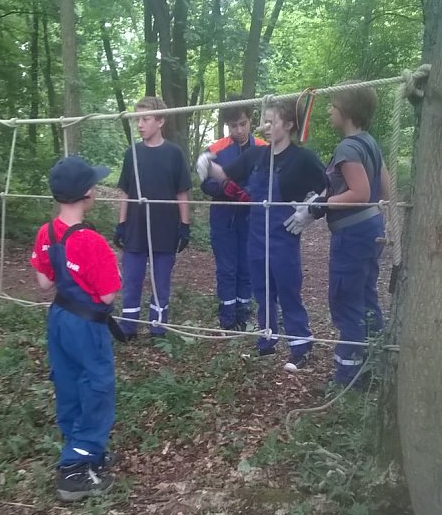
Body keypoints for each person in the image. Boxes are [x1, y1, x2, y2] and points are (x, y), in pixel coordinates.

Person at [197, 97, 326, 369]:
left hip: (283, 237)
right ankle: (267, 340)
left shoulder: (302, 158)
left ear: (289, 124)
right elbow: (225, 174)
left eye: (271, 121)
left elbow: (329, 186)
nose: (264, 127)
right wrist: (207, 163)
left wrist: (312, 210)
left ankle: (300, 346)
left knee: (288, 290)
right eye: (263, 121)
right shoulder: (257, 155)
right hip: (255, 235)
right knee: (262, 289)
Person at [31, 155, 121, 502]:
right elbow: (108, 293)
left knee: (68, 383)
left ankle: (84, 450)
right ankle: (74, 469)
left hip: (59, 319)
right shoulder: (92, 242)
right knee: (96, 387)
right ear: (88, 193)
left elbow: (43, 282)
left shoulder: (47, 231)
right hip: (87, 326)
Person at [287, 86, 389, 386]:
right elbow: (384, 191)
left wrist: (321, 205)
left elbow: (361, 193)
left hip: (353, 235)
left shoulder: (348, 148)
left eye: (332, 105)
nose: (329, 110)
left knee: (346, 301)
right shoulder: (370, 143)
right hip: (371, 229)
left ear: (346, 110)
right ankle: (374, 368)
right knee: (366, 298)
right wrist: (322, 199)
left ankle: (348, 380)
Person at [114, 96, 192, 338]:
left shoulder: (174, 154)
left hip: (165, 229)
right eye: (138, 119)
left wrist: (184, 226)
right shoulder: (132, 154)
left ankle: (158, 327)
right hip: (136, 228)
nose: (139, 124)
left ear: (160, 121)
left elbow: (182, 192)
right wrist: (121, 223)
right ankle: (128, 327)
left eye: (145, 119)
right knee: (132, 280)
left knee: (161, 283)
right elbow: (125, 191)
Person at [200, 97, 265, 330]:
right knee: (227, 267)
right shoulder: (215, 149)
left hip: (252, 217)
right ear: (227, 125)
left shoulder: (263, 148)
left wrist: (249, 192)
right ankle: (227, 318)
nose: (238, 130)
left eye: (243, 123)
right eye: (233, 125)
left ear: (250, 121)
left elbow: (271, 181)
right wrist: (223, 188)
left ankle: (243, 315)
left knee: (247, 265)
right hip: (223, 216)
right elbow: (204, 182)